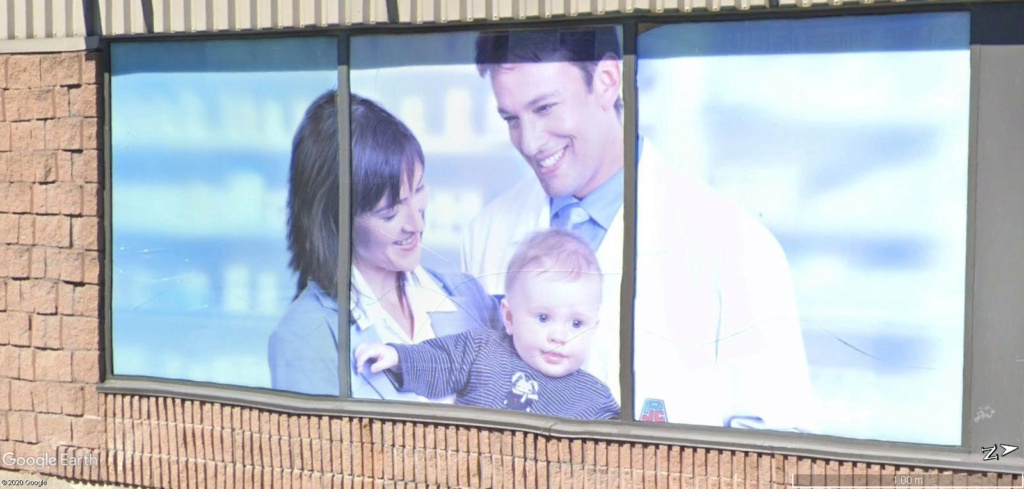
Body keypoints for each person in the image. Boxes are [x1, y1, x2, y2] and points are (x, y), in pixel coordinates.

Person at [462, 27, 815, 430]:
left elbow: (776, 443)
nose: (529, 142)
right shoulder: (486, 232)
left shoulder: (734, 242)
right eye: (512, 119)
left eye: (544, 108)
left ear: (607, 81)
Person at [268, 91, 498, 398]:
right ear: (337, 221)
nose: (416, 225)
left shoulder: (467, 295)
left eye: (419, 191)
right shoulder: (304, 338)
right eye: (389, 213)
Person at [355, 229, 620, 420]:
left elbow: (621, 454)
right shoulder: (481, 350)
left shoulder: (594, 400)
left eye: (576, 323)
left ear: (593, 327)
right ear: (509, 317)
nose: (560, 336)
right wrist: (399, 357)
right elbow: (439, 360)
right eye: (543, 318)